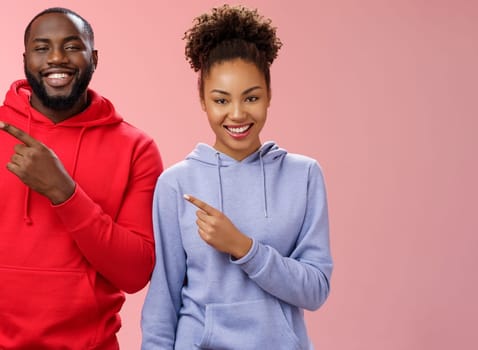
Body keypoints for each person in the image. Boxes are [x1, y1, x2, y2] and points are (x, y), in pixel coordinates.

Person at [141, 5, 333, 349]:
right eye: (221, 100)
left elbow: (316, 289)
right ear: (203, 100)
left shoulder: (303, 175)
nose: (237, 114)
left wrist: (243, 247)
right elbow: (162, 302)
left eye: (252, 98)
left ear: (269, 95)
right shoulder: (176, 183)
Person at [0, 7, 163, 349]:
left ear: (94, 58)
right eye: (42, 48)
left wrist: (65, 192)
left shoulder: (136, 148)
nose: (57, 58)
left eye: (72, 46)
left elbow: (134, 274)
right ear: (25, 58)